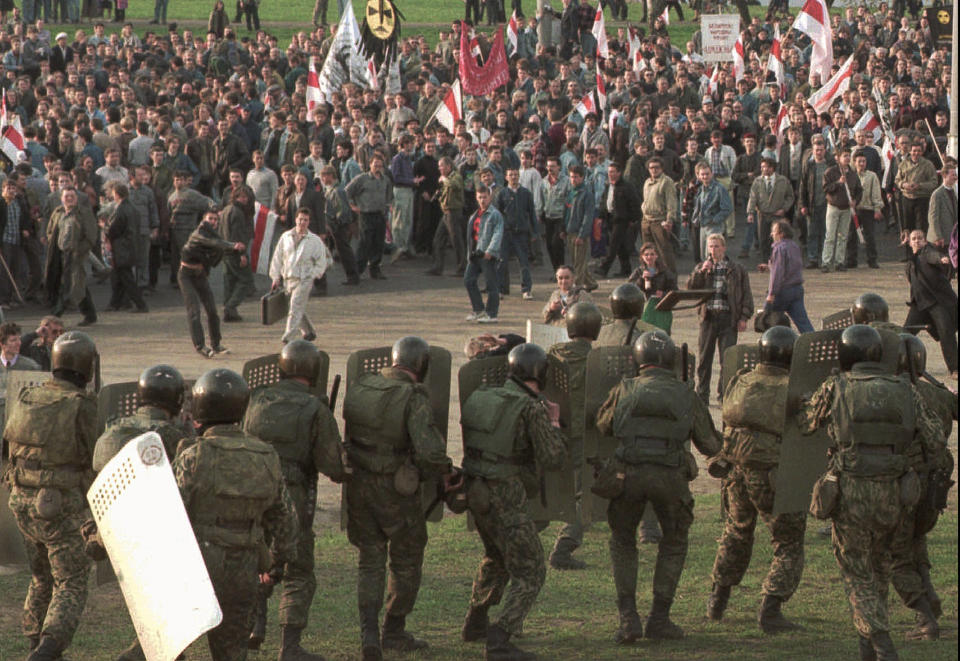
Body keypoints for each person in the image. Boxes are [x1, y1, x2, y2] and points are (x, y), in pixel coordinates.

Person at [798, 325, 948, 661]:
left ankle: (883, 647)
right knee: (880, 567)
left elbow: (806, 424)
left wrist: (802, 404)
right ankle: (867, 649)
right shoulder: (906, 389)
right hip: (895, 493)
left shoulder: (836, 386)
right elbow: (936, 437)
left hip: (851, 491)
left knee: (857, 574)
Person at [595, 330, 721, 643]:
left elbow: (603, 425)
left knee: (623, 541)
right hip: (671, 478)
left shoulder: (625, 389)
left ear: (638, 360)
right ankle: (660, 618)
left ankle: (628, 619)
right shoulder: (685, 393)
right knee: (675, 542)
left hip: (628, 478)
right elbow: (708, 443)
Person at [341, 336, 457, 661]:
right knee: (406, 561)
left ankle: (368, 634)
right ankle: (392, 630)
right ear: (422, 365)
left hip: (359, 485)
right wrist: (443, 470)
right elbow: (431, 453)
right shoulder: (413, 396)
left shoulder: (363, 385)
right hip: (396, 491)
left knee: (370, 560)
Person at [173, 368, 298, 661]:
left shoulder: (193, 456)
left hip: (197, 567)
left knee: (173, 646)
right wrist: (276, 565)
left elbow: (171, 516)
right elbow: (286, 520)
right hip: (245, 564)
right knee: (232, 651)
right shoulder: (266, 456)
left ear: (199, 409)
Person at [460, 343, 567, 661]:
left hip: (476, 491)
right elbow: (553, 458)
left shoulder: (480, 396)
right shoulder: (530, 407)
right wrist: (554, 423)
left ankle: (476, 622)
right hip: (507, 496)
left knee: (496, 557)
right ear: (540, 373)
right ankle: (500, 638)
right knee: (531, 570)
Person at [242, 340, 346, 660]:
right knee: (298, 567)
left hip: (253, 486)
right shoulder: (315, 408)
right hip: (293, 490)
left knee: (257, 555)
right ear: (314, 372)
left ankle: (254, 626)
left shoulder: (256, 398)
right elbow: (334, 466)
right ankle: (289, 646)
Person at [4, 332, 98, 661]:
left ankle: (35, 645)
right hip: (57, 505)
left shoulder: (30, 397)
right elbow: (93, 457)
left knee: (41, 576)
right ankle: (44, 653)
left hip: (20, 498)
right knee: (71, 581)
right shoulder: (80, 405)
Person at [708, 326, 806, 633]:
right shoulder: (792, 386)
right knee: (788, 542)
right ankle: (770, 609)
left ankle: (717, 599)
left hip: (736, 468)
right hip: (771, 473)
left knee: (736, 532)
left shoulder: (742, 379)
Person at [890, 334, 956, 642]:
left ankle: (925, 618)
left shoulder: (889, 395)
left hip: (904, 489)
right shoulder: (938, 395)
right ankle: (929, 596)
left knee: (898, 555)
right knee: (916, 542)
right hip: (935, 491)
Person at [546, 301, 602, 570]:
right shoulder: (599, 361)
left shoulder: (552, 355)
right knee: (585, 495)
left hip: (553, 432)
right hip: (584, 436)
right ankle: (564, 547)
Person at [685, 233, 754, 404]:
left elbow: (746, 295)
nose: (713, 250)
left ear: (723, 248)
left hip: (727, 317)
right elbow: (690, 289)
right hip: (708, 317)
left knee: (727, 359)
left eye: (716, 246)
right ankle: (702, 395)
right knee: (704, 359)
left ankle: (724, 394)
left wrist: (744, 317)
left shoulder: (736, 269)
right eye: (710, 246)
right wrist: (701, 272)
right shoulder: (703, 267)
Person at [179, 210, 245, 357]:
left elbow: (220, 249)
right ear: (204, 220)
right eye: (210, 219)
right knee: (194, 311)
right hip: (186, 275)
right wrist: (233, 245)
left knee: (212, 311)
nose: (213, 222)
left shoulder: (213, 235)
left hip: (200, 274)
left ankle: (216, 344)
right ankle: (200, 345)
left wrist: (238, 254)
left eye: (216, 220)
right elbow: (214, 243)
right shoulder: (199, 233)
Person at [269, 208, 331, 345]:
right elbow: (277, 258)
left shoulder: (314, 240)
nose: (302, 222)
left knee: (295, 305)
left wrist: (313, 275)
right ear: (296, 219)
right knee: (295, 306)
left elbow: (322, 262)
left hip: (304, 279)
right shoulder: (285, 237)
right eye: (300, 219)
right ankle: (308, 331)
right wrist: (275, 277)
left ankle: (288, 336)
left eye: (306, 220)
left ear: (309, 222)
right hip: (288, 278)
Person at [904, 230, 958, 378]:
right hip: (920, 304)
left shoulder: (927, 253)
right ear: (910, 243)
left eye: (920, 239)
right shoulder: (910, 261)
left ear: (925, 241)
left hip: (936, 302)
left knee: (946, 333)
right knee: (905, 334)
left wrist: (942, 259)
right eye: (914, 239)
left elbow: (934, 257)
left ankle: (955, 369)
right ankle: (900, 366)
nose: (917, 241)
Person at [46, 187, 98, 327]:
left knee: (71, 284)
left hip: (77, 255)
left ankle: (55, 316)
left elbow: (91, 237)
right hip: (59, 254)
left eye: (72, 196)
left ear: (77, 198)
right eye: (66, 196)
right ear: (61, 198)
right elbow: (50, 231)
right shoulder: (58, 213)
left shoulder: (84, 213)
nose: (69, 199)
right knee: (77, 285)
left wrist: (78, 250)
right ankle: (90, 314)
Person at [345, 154, 393, 281]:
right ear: (370, 164)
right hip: (366, 215)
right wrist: (352, 206)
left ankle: (375, 269)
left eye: (380, 165)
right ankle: (357, 272)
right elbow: (346, 192)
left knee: (378, 243)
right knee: (364, 243)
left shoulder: (385, 180)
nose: (377, 167)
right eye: (375, 164)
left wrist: (388, 207)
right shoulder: (362, 179)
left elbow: (389, 196)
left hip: (380, 214)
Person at [102, 182, 148, 314]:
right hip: (130, 246)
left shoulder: (121, 209)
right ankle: (115, 303)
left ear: (116, 194)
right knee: (118, 276)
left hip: (121, 247)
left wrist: (104, 227)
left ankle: (140, 304)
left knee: (126, 277)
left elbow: (113, 229)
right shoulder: (132, 208)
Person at [760, 221, 814, 333]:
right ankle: (813, 343)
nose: (771, 234)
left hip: (783, 291)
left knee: (766, 319)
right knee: (803, 322)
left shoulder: (779, 248)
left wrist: (771, 294)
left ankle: (772, 344)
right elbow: (791, 267)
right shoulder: (794, 246)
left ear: (781, 233)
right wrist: (770, 266)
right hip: (797, 289)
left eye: (774, 232)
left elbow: (777, 273)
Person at [464, 184, 504, 324]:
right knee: (468, 280)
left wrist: (491, 251)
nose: (482, 200)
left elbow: (498, 233)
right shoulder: (474, 215)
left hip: (487, 254)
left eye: (485, 197)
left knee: (491, 285)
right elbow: (471, 235)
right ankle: (478, 310)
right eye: (480, 197)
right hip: (475, 254)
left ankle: (492, 314)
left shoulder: (495, 214)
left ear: (490, 197)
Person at [495, 167, 536, 299]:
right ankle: (501, 289)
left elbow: (532, 214)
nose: (513, 177)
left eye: (516, 175)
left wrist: (535, 232)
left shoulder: (526, 193)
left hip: (521, 233)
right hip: (506, 233)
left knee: (524, 261)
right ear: (506, 177)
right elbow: (497, 214)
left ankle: (526, 289)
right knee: (502, 262)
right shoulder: (502, 194)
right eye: (511, 175)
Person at [596, 161, 642, 278]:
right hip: (610, 218)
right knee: (621, 246)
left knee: (613, 244)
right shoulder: (608, 185)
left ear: (619, 173)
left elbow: (635, 203)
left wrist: (633, 219)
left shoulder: (626, 186)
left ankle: (604, 268)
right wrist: (601, 216)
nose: (610, 174)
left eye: (612, 172)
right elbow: (604, 201)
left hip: (622, 219)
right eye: (609, 172)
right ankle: (626, 269)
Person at [744, 157, 794, 265]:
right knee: (763, 240)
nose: (764, 169)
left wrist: (784, 209)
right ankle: (764, 262)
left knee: (778, 240)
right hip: (763, 214)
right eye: (762, 167)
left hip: (777, 215)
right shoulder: (757, 181)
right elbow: (753, 197)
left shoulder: (783, 181)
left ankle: (778, 261)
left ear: (772, 168)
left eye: (766, 167)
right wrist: (750, 212)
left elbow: (790, 196)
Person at [821, 147, 862, 273]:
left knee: (843, 236)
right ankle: (826, 262)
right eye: (844, 155)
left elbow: (859, 190)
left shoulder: (853, 174)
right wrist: (838, 183)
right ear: (837, 158)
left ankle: (839, 261)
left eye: (849, 156)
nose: (847, 158)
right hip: (834, 207)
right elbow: (826, 188)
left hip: (847, 208)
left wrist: (855, 201)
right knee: (830, 236)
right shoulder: (830, 172)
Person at [318, 165, 360, 286]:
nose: (322, 179)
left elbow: (343, 210)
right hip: (333, 225)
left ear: (330, 175)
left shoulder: (337, 190)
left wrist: (337, 224)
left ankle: (353, 276)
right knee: (341, 250)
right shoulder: (330, 189)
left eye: (324, 176)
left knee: (344, 251)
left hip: (338, 226)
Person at [427, 156, 466, 277]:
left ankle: (462, 268)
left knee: (456, 240)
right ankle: (437, 267)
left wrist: (444, 179)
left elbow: (455, 185)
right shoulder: (447, 178)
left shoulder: (456, 176)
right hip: (446, 212)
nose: (440, 169)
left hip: (453, 212)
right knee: (438, 239)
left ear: (449, 166)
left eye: (441, 166)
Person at [561, 165, 598, 292]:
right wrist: (563, 229)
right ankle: (591, 282)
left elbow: (588, 217)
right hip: (570, 231)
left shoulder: (587, 195)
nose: (573, 180)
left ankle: (577, 288)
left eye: (576, 177)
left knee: (579, 264)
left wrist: (582, 235)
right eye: (571, 177)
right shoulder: (570, 192)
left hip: (580, 233)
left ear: (582, 177)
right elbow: (566, 212)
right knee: (577, 261)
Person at [627, 242, 677, 334]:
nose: (649, 257)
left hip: (661, 309)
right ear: (642, 256)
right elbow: (629, 290)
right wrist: (641, 280)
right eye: (646, 254)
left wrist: (663, 294)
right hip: (644, 309)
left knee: (662, 336)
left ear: (656, 256)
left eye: (652, 254)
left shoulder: (664, 271)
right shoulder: (638, 271)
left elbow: (675, 290)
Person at [640, 157, 679, 275]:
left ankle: (672, 281)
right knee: (648, 255)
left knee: (664, 253)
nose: (654, 170)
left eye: (657, 167)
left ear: (662, 168)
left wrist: (669, 220)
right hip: (646, 221)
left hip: (660, 222)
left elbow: (671, 202)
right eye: (651, 168)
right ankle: (651, 278)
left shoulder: (667, 182)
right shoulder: (647, 182)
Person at [691, 163, 734, 261]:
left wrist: (715, 219)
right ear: (699, 176)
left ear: (712, 174)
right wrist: (695, 219)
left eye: (707, 174)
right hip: (703, 226)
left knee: (714, 256)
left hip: (715, 227)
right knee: (704, 257)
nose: (705, 176)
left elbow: (727, 208)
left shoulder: (719, 189)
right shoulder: (701, 189)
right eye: (702, 174)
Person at [926, 157, 957, 255]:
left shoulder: (953, 192)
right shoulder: (937, 194)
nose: (955, 177)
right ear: (944, 175)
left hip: (951, 237)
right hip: (941, 238)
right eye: (953, 175)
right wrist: (938, 236)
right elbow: (933, 217)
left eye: (956, 175)